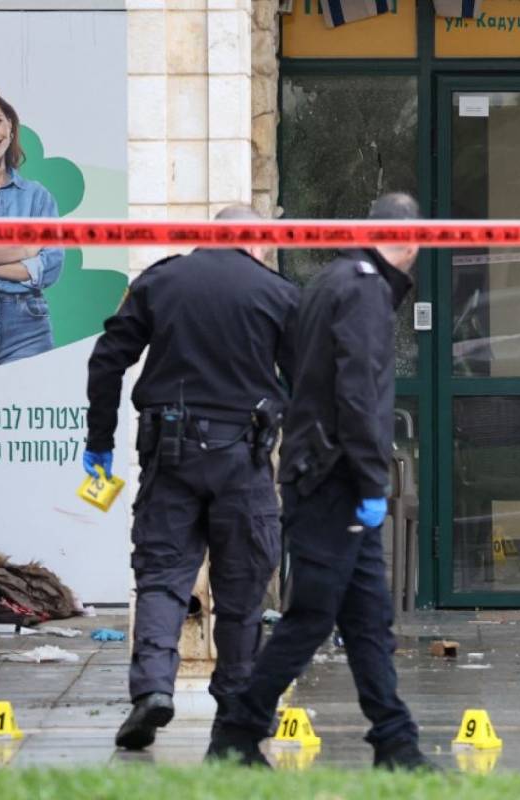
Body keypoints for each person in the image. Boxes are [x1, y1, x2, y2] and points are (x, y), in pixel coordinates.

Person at [207, 192, 433, 771]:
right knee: (310, 617)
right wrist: (372, 480)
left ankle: (396, 741)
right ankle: (235, 734)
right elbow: (357, 395)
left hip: (324, 475)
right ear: (407, 239)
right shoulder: (362, 290)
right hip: (334, 483)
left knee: (366, 620)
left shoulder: (339, 280)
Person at [84, 204, 299, 750]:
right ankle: (236, 702)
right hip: (244, 460)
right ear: (258, 243)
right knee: (242, 584)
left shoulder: (161, 280)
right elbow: (308, 384)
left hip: (169, 454)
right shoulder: (277, 293)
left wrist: (100, 442)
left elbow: (108, 360)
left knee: (161, 575)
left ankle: (153, 690)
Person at [0, 84, 63, 375]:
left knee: (27, 416)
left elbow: (52, 265)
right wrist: (22, 251)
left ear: (10, 123)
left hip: (28, 326)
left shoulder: (37, 196)